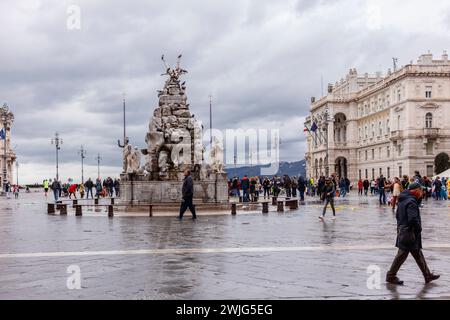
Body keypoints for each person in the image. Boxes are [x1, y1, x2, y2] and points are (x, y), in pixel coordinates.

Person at [386, 182, 440, 285]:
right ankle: (390, 276)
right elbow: (413, 219)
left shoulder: (403, 199)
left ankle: (427, 275)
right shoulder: (411, 202)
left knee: (417, 253)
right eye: (421, 190)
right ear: (415, 191)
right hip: (410, 233)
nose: (422, 192)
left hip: (404, 231)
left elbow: (398, 215)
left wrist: (401, 227)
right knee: (402, 255)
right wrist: (418, 229)